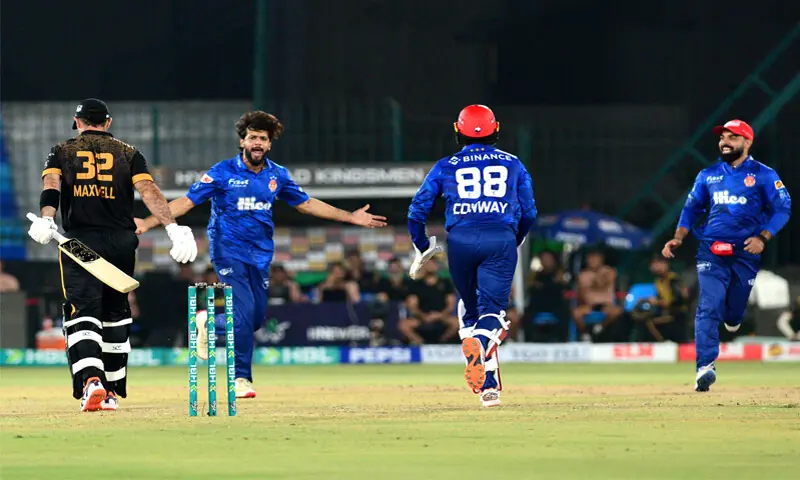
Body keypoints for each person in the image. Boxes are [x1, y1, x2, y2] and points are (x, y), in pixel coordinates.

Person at [135, 110, 386, 398]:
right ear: (242, 141)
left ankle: (208, 320)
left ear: (269, 144)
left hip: (260, 255)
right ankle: (240, 379)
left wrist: (349, 217)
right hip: (228, 251)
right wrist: (149, 221)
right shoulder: (221, 172)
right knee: (242, 315)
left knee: (254, 320)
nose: (257, 143)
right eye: (252, 137)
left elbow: (305, 204)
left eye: (263, 139)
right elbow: (186, 202)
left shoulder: (277, 175)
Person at [27, 98, 197, 412]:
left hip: (81, 243)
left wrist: (47, 217)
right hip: (121, 241)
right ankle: (112, 392)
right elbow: (149, 192)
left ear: (77, 123)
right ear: (108, 122)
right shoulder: (129, 152)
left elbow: (52, 185)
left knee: (83, 310)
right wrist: (172, 227)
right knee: (115, 312)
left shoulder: (62, 151)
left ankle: (93, 381)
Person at [407, 104, 537, 407]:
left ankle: (489, 389)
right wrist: (512, 239)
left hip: (461, 242)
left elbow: (417, 211)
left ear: (457, 130)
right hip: (499, 237)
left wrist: (422, 245)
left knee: (470, 307)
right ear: (496, 129)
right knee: (493, 313)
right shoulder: (513, 164)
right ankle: (478, 345)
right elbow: (529, 212)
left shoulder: (445, 165)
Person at [662, 119, 791, 392]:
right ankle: (704, 368)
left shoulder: (765, 175)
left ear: (747, 142)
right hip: (711, 250)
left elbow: (782, 209)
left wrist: (763, 238)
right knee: (709, 304)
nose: (725, 142)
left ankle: (734, 319)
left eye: (733, 137)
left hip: (745, 253)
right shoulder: (707, 175)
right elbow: (691, 209)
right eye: (723, 137)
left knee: (733, 312)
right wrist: (678, 237)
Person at [630, 255, 688, 343]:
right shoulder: (658, 282)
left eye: (659, 263)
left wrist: (660, 303)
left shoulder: (674, 279)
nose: (656, 267)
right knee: (638, 317)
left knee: (646, 323)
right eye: (654, 264)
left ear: (666, 265)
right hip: (665, 313)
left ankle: (660, 344)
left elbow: (680, 300)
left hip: (677, 315)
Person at [572, 249, 623, 342]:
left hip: (606, 305)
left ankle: (600, 327)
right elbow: (581, 291)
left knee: (617, 312)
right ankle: (585, 334)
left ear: (601, 259)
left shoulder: (610, 271)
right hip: (589, 305)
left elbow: (602, 283)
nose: (593, 261)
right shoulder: (582, 275)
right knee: (576, 313)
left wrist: (595, 280)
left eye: (595, 258)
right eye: (590, 258)